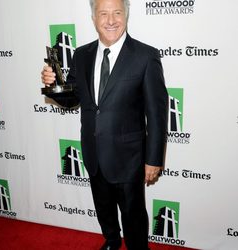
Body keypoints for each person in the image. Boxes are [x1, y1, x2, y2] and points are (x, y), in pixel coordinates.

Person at [41, 0, 168, 249]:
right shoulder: (82, 54)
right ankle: (111, 240)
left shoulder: (145, 56)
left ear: (126, 15)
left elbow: (157, 113)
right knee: (104, 208)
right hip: (93, 151)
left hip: (129, 157)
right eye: (104, 14)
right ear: (93, 18)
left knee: (133, 216)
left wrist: (153, 159)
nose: (111, 20)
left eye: (117, 13)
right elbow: (73, 98)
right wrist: (52, 86)